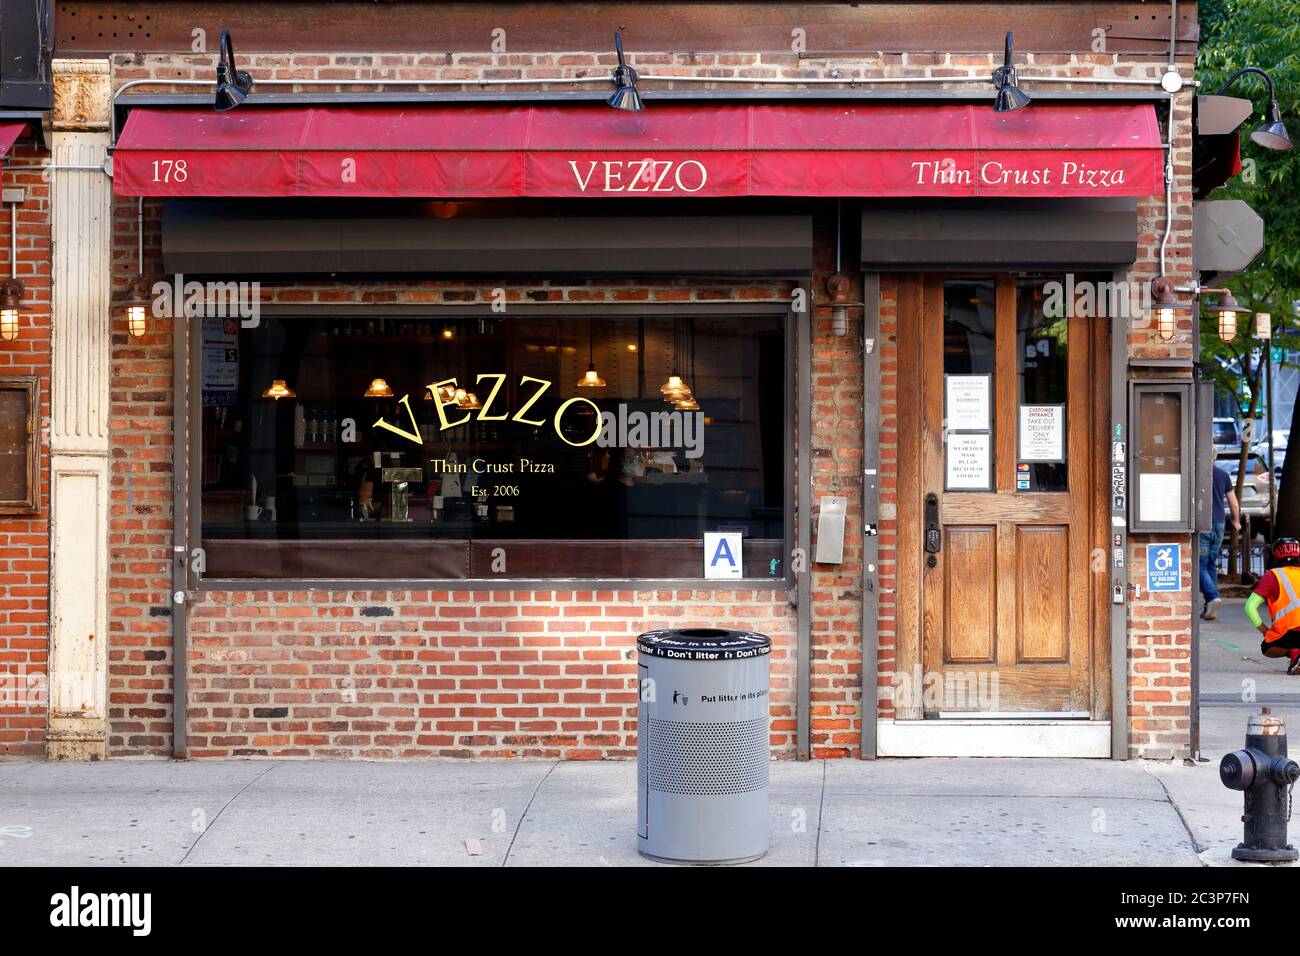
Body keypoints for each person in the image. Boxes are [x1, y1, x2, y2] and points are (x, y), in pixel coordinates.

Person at [1244, 537, 1300, 675]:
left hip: (1290, 633)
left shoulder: (1272, 576)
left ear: (1275, 555)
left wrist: (1264, 630)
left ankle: (1294, 652)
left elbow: (1249, 607)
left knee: (1267, 647)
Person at [1200, 462, 1240, 620]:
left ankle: (1212, 596)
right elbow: (1234, 503)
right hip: (1219, 524)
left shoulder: (1198, 472)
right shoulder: (1223, 475)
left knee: (1199, 565)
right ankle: (1208, 607)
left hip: (1203, 524)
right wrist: (1236, 521)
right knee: (1210, 564)